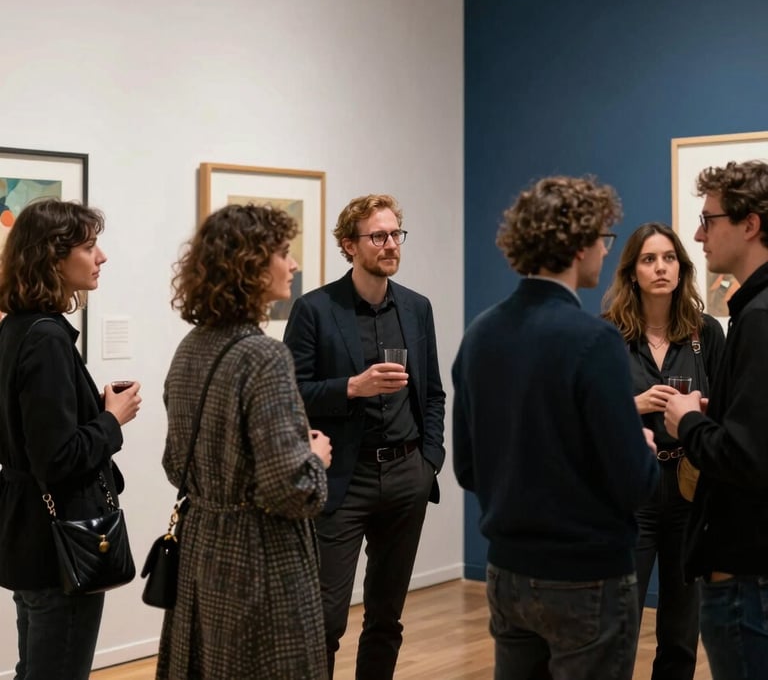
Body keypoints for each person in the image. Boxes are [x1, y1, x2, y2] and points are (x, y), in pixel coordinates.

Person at [452, 175, 659, 680]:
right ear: (579, 245)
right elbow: (635, 481)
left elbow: (466, 467)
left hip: (507, 572)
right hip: (586, 575)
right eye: (603, 240)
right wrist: (645, 448)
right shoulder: (594, 341)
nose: (605, 253)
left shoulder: (480, 334)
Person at [157, 204, 332, 680]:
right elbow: (289, 489)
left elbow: (175, 465)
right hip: (261, 557)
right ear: (249, 266)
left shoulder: (190, 347)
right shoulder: (264, 356)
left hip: (202, 548)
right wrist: (315, 460)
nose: (292, 264)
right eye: (281, 252)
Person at [283, 193, 445, 680]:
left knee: (386, 616)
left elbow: (433, 391)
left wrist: (429, 460)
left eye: (396, 234)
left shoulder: (416, 308)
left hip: (405, 474)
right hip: (341, 480)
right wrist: (353, 387)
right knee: (326, 618)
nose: (391, 244)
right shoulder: (315, 309)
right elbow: (291, 394)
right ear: (349, 245)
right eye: (379, 236)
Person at [0, 198, 141, 680]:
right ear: (52, 256)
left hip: (29, 535)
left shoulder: (16, 329)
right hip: (61, 545)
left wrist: (93, 410)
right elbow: (57, 458)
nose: (100, 257)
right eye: (89, 246)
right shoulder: (46, 338)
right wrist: (112, 419)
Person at [603, 222, 725, 680]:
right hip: (632, 490)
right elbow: (583, 414)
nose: (660, 268)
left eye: (669, 258)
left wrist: (699, 412)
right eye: (649, 259)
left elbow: (728, 412)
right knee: (620, 620)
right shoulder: (608, 336)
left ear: (681, 267)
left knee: (681, 625)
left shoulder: (705, 333)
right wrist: (630, 404)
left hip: (689, 489)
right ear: (633, 272)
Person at [665, 160, 768, 680]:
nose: (699, 234)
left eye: (710, 220)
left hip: (747, 574)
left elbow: (746, 457)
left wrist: (688, 421)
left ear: (749, 224)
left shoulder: (756, 318)